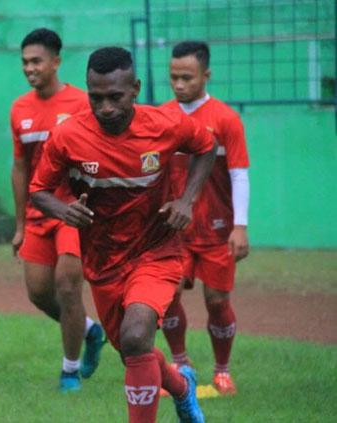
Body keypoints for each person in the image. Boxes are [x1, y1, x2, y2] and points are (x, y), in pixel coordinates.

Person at [30, 46, 216, 422]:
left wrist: (186, 200)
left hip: (156, 251)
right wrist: (64, 210)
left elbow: (206, 146)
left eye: (115, 97)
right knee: (132, 350)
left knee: (136, 336)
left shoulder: (165, 124)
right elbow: (38, 190)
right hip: (103, 261)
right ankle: (180, 389)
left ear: (135, 88)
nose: (106, 108)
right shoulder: (68, 136)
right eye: (95, 98)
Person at [9, 28, 105, 392]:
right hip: (39, 212)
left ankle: (69, 370)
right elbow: (20, 168)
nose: (29, 68)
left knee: (67, 287)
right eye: (24, 62)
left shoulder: (82, 103)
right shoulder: (19, 108)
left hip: (72, 210)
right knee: (38, 293)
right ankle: (92, 330)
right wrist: (20, 224)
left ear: (56, 62)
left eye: (36, 61)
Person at [160, 41, 250, 396]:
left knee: (216, 301)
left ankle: (222, 371)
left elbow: (239, 173)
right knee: (166, 297)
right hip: (173, 231)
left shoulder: (225, 119)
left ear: (206, 75)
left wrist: (239, 226)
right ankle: (180, 364)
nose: (179, 84)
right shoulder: (164, 116)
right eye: (173, 77)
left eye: (187, 77)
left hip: (216, 228)